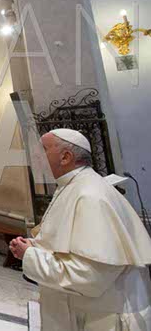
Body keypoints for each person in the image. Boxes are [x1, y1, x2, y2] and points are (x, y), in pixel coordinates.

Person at [9, 129, 151, 330]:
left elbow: (89, 277)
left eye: (43, 150)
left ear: (65, 157)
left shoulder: (90, 195)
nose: (35, 156)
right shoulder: (72, 186)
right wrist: (34, 246)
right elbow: (66, 242)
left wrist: (30, 256)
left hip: (102, 319)